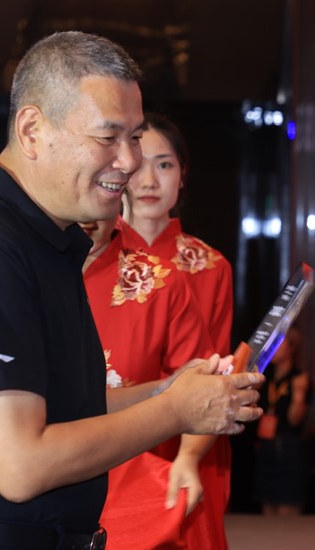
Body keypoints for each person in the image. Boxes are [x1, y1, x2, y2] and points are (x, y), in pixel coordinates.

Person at [0, 31, 265, 550]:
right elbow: (22, 464)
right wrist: (176, 412)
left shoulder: (40, 240)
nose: (130, 161)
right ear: (32, 130)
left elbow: (58, 405)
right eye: (108, 137)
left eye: (134, 137)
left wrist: (165, 390)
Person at [119, 112, 234, 548]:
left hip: (193, 439)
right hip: (113, 434)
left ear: (183, 175)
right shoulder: (89, 255)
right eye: (139, 163)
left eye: (164, 165)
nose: (149, 180)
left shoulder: (211, 265)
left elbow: (216, 370)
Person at [81, 215, 217, 548]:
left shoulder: (160, 279)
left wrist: (189, 455)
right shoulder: (15, 268)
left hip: (134, 469)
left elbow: (199, 382)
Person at [252, 326, 312, 516]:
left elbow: (295, 420)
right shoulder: (264, 377)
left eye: (277, 344)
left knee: (287, 515)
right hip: (265, 448)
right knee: (266, 510)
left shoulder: (299, 378)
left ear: (292, 348)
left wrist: (299, 395)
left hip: (288, 451)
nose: (271, 349)